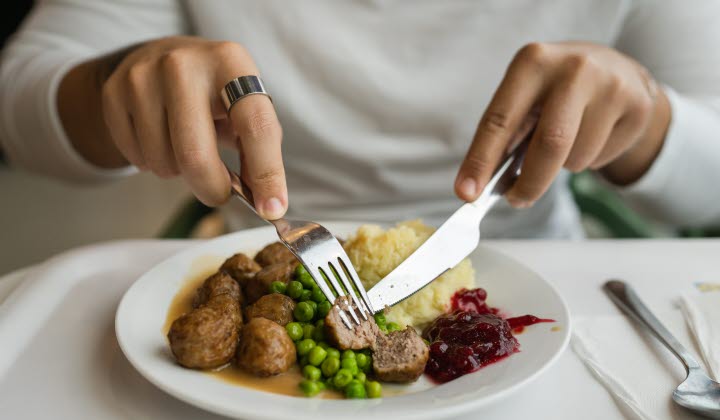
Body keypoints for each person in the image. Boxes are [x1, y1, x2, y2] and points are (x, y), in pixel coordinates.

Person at [1, 1, 719, 238]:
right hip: (267, 258)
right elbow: (18, 101)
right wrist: (113, 86)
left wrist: (648, 123)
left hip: (543, 281)